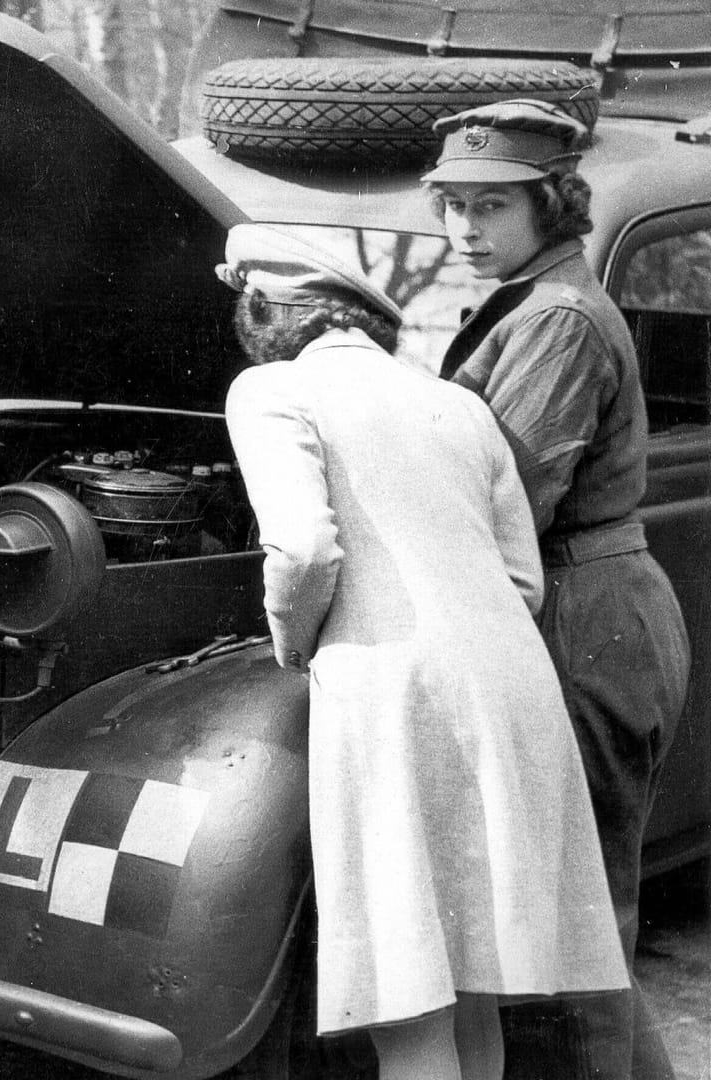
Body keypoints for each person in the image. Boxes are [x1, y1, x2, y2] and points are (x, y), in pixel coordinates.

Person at [217, 222, 627, 1080]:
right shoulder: (460, 405)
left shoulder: (270, 389)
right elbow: (522, 580)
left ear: (262, 312)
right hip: (513, 690)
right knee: (476, 995)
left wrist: (296, 648)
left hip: (393, 695)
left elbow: (302, 551)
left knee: (406, 1004)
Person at [425, 100, 692, 1080]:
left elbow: (501, 501)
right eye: (451, 204)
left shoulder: (560, 320)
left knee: (565, 945)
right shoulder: (527, 304)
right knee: (582, 937)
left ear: (555, 205)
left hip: (585, 623)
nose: (463, 229)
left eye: (490, 206)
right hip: (582, 612)